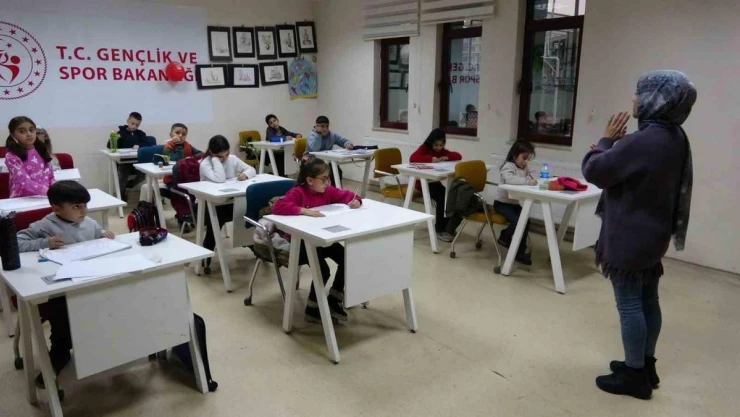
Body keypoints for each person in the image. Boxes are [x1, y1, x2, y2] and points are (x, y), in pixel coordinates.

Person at [583, 70, 696, 400]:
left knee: (629, 304)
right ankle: (646, 365)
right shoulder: (674, 136)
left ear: (657, 99)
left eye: (639, 93)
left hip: (630, 236)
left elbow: (595, 171)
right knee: (648, 300)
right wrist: (611, 152)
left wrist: (605, 144)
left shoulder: (642, 140)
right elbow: (631, 170)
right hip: (653, 234)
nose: (634, 98)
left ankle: (634, 376)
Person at [16, 181, 115, 388]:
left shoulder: (88, 222)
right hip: (62, 286)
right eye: (76, 207)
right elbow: (16, 242)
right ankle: (59, 353)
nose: (83, 211)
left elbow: (97, 233)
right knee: (62, 313)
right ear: (57, 209)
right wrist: (44, 243)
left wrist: (104, 235)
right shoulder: (45, 225)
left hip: (90, 279)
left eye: (85, 205)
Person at [272, 157, 361, 323]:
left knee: (347, 258)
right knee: (323, 270)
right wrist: (303, 211)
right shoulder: (298, 192)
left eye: (328, 178)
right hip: (301, 243)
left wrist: (355, 200)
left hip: (320, 239)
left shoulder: (327, 191)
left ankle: (335, 298)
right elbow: (278, 206)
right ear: (310, 180)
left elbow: (347, 195)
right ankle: (312, 308)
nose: (327, 183)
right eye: (324, 179)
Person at [199, 135, 256, 272]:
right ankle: (206, 256)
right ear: (212, 153)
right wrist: (215, 160)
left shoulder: (232, 158)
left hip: (230, 200)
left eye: (227, 154)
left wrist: (245, 175)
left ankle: (250, 243)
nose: (224, 158)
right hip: (210, 204)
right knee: (215, 222)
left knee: (246, 213)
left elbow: (252, 169)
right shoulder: (205, 164)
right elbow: (219, 179)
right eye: (220, 156)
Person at [409, 128, 462, 241]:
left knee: (449, 196)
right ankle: (439, 229)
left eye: (441, 145)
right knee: (442, 197)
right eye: (436, 145)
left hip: (434, 182)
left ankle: (445, 227)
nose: (438, 148)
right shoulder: (424, 148)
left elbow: (458, 156)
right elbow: (413, 158)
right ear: (431, 142)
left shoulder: (442, 151)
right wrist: (430, 159)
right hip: (422, 183)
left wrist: (447, 157)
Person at [493, 140, 537, 266]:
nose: (526, 161)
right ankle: (505, 237)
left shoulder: (524, 167)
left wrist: (531, 173)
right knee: (518, 221)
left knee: (526, 220)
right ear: (514, 155)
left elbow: (533, 176)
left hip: (513, 203)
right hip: (501, 203)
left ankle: (520, 251)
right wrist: (527, 181)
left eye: (528, 159)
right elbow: (510, 180)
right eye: (524, 158)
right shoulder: (508, 166)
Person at [5, 116, 54, 198]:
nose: (28, 134)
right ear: (13, 135)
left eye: (31, 130)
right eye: (22, 131)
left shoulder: (41, 149)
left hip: (44, 197)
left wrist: (55, 190)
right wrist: (48, 192)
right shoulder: (11, 156)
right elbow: (25, 181)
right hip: (21, 199)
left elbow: (50, 176)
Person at [107, 111, 148, 201]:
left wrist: (139, 146)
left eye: (137, 125)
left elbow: (147, 144)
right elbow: (109, 146)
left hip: (137, 161)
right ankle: (121, 195)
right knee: (122, 175)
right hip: (123, 162)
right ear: (127, 121)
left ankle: (128, 185)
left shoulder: (141, 134)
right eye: (132, 123)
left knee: (142, 175)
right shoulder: (120, 133)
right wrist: (114, 138)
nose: (134, 126)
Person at [305, 116, 353, 186]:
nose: (325, 129)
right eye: (322, 126)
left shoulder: (331, 135)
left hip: (325, 160)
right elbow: (315, 148)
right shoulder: (312, 135)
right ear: (316, 126)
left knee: (337, 171)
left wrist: (347, 144)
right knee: (321, 173)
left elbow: (343, 141)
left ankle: (335, 190)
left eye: (327, 126)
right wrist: (318, 134)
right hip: (311, 161)